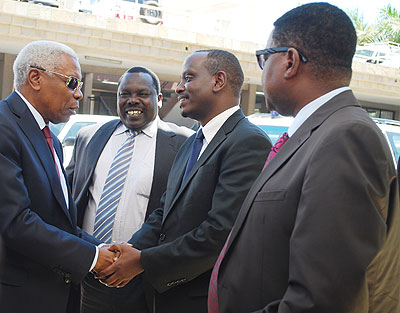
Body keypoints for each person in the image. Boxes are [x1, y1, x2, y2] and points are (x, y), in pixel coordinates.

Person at [210, 3, 400, 313]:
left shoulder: (346, 137)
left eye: (264, 58)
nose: (262, 69)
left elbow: (321, 300)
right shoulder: (317, 132)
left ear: (290, 61)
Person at [96, 49, 272, 313]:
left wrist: (143, 261)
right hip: (164, 296)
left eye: (188, 78)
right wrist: (128, 251)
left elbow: (220, 232)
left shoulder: (248, 142)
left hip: (203, 300)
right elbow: (164, 212)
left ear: (218, 81)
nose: (178, 88)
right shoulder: (192, 142)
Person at [66, 66, 194, 313]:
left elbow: (180, 212)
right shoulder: (88, 137)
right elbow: (72, 201)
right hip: (90, 274)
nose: (132, 100)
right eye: (125, 94)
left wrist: (137, 259)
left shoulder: (183, 143)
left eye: (142, 93)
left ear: (158, 99)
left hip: (144, 280)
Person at [0, 40, 115, 313]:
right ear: (35, 78)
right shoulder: (4, 126)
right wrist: (94, 257)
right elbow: (16, 223)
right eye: (72, 82)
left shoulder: (49, 137)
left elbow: (57, 221)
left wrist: (104, 249)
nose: (80, 94)